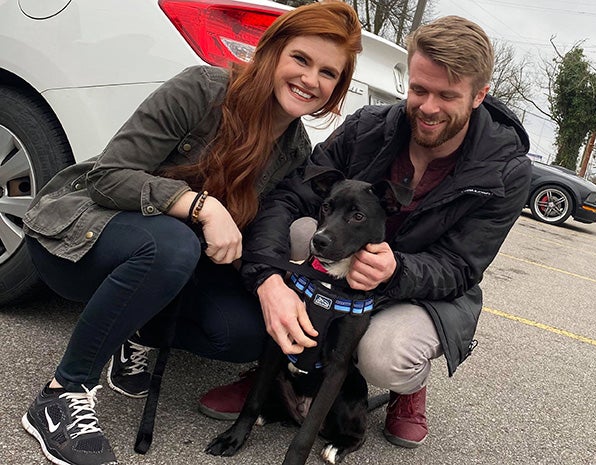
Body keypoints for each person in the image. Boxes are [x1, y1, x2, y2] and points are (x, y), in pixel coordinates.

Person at [20, 2, 362, 465]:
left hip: (167, 268)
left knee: (244, 331)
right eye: (300, 59)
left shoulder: (296, 151)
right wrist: (200, 205)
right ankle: (63, 394)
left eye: (328, 73)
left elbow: (264, 233)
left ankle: (141, 330)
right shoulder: (201, 89)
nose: (310, 79)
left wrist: (271, 283)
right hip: (78, 242)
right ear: (273, 52)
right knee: (173, 243)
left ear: (337, 89)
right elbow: (108, 175)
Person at [199, 15, 533, 449]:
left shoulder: (505, 171)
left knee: (385, 356)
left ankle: (407, 389)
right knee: (304, 232)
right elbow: (288, 195)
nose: (428, 107)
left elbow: (461, 266)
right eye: (419, 90)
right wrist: (266, 275)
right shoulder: (368, 127)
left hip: (418, 289)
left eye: (447, 95)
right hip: (344, 271)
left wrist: (397, 270)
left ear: (479, 95)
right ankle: (287, 369)